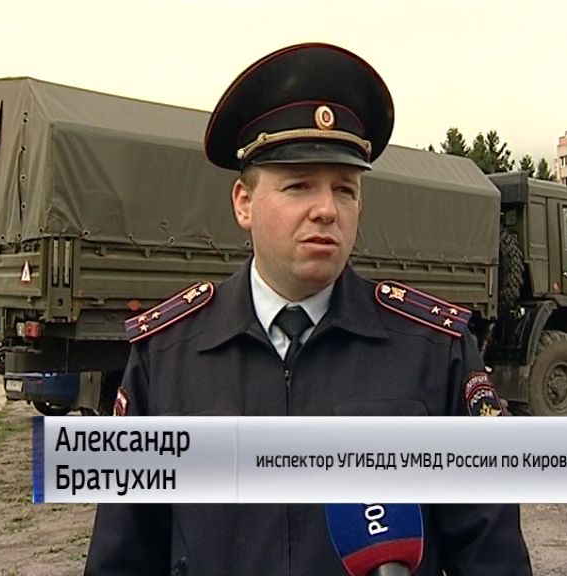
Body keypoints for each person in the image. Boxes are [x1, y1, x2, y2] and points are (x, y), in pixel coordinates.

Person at [85, 42, 532, 575]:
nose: (326, 210)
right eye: (299, 186)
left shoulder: (434, 351)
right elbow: (124, 554)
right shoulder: (166, 357)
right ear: (244, 203)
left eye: (345, 189)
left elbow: (491, 556)